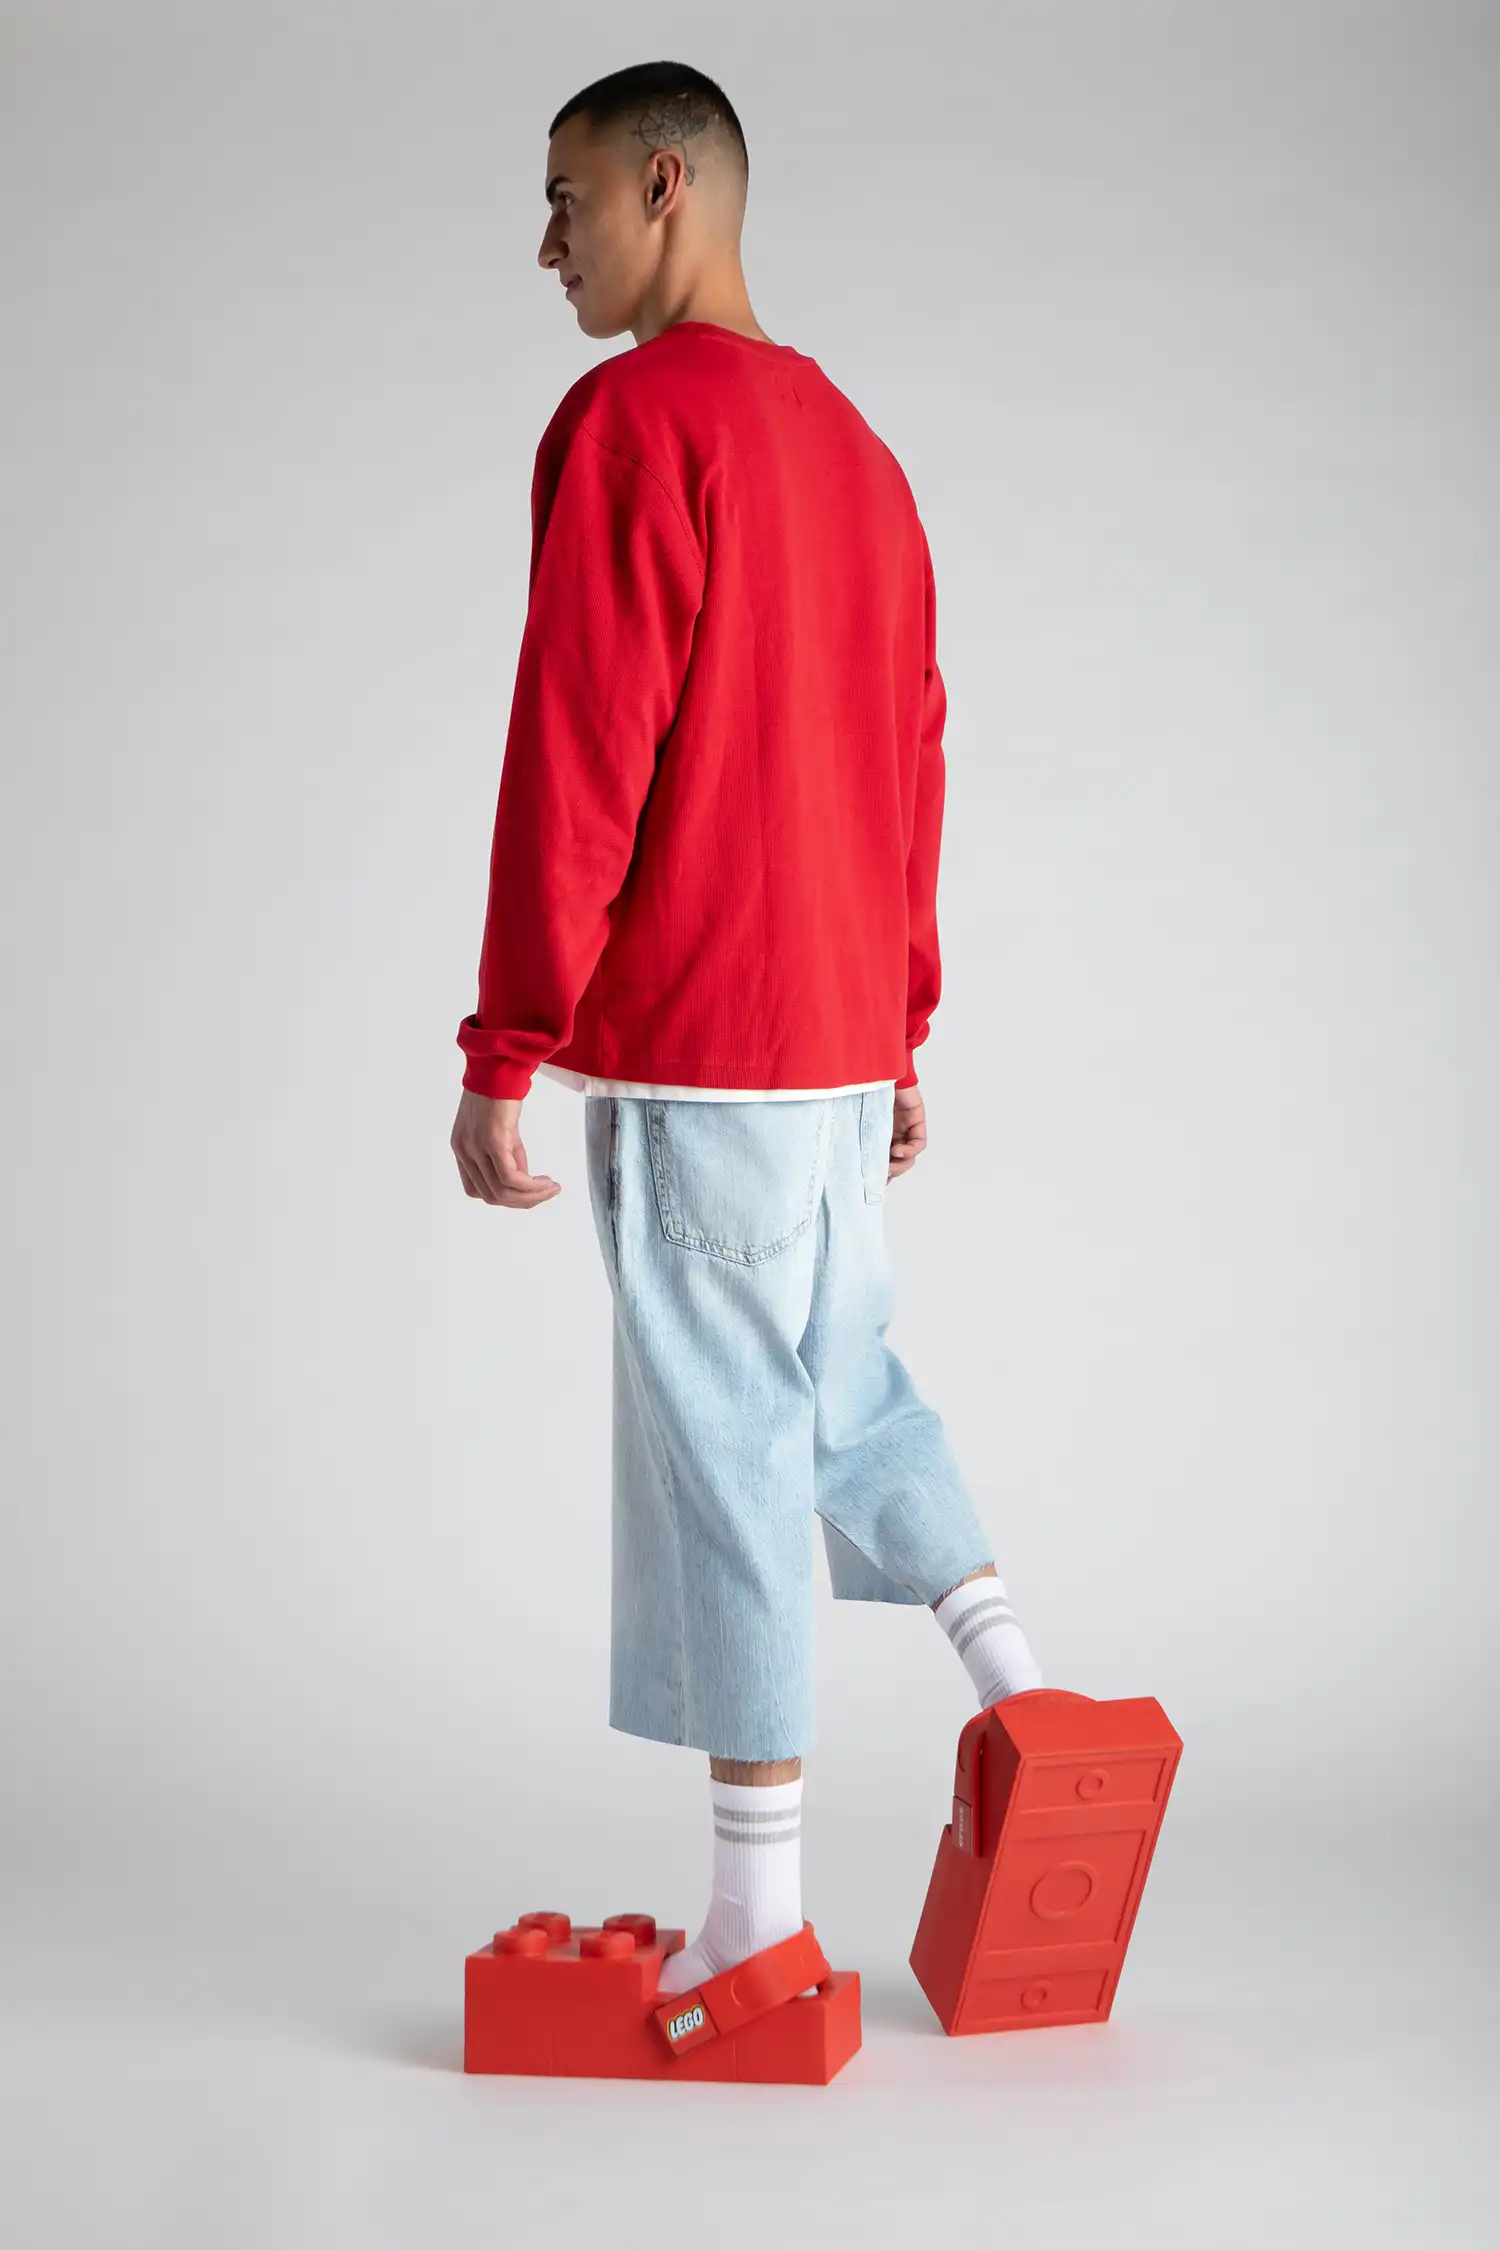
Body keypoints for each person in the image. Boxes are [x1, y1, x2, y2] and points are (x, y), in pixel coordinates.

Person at [449, 59, 1043, 1999]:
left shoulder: (634, 423)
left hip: (704, 1044)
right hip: (835, 1046)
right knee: (846, 1392)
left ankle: (757, 1925)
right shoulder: (862, 455)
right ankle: (1029, 1699)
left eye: (566, 202)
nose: (547, 246)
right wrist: (901, 1025)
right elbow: (910, 759)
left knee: (723, 1450)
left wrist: (506, 1044)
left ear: (666, 186)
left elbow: (580, 742)